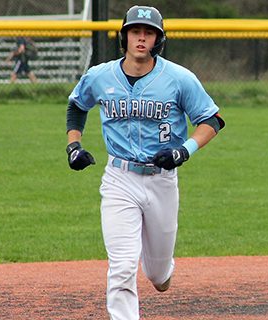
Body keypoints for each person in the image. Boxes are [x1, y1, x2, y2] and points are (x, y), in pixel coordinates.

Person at [64, 6, 225, 319]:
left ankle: (161, 270)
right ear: (124, 36)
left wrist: (185, 150)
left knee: (158, 276)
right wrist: (74, 145)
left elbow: (212, 120)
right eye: (135, 31)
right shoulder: (100, 76)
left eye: (148, 32)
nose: (141, 38)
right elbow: (77, 105)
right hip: (119, 179)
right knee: (123, 265)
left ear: (157, 39)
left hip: (162, 181)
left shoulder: (179, 78)